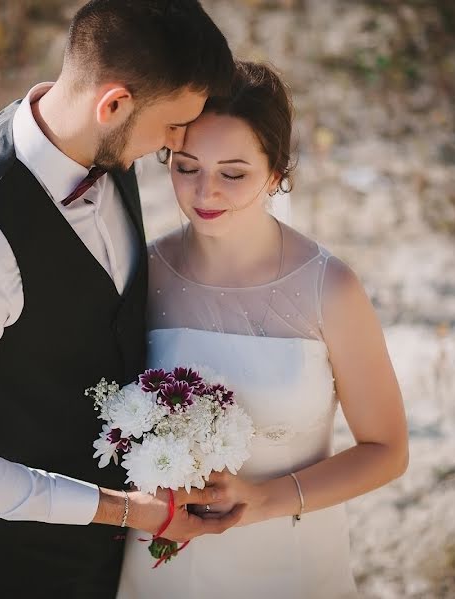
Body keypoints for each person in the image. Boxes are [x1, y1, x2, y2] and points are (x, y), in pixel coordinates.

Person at [0, 2, 240, 597]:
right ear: (114, 105)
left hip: (105, 554)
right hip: (4, 565)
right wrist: (123, 510)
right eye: (173, 125)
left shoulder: (101, 145)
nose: (178, 143)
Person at [117, 60, 409, 598]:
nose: (206, 192)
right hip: (163, 565)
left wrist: (264, 500)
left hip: (288, 562)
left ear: (276, 173)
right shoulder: (143, 275)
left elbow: (387, 449)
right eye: (186, 167)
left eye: (233, 173)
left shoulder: (331, 288)